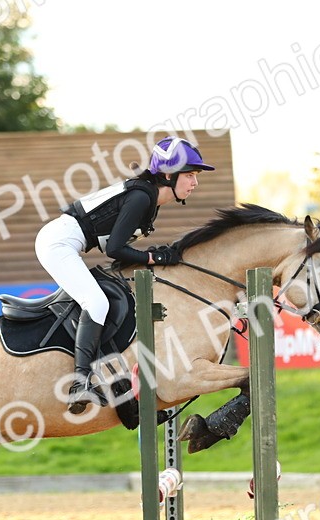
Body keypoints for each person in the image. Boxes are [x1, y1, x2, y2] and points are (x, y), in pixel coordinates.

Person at [34, 136, 215, 413]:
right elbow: (115, 249)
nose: (195, 183)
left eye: (195, 176)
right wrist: (153, 257)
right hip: (58, 243)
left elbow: (112, 244)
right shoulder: (142, 196)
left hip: (67, 240)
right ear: (168, 175)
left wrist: (150, 256)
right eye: (189, 175)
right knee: (96, 303)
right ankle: (79, 383)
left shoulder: (148, 198)